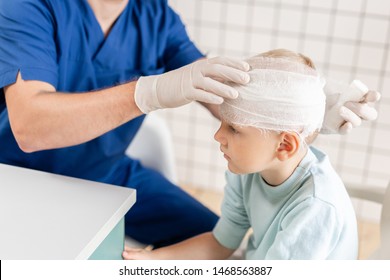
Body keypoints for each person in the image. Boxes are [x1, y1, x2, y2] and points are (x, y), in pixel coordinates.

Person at [0, 1, 379, 248]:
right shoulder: (28, 8)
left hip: (107, 172)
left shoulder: (156, 18)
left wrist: (303, 111)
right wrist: (146, 93)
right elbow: (31, 127)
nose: (221, 137)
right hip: (19, 177)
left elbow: (222, 90)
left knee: (212, 242)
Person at [122, 49, 359, 260]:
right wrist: (154, 260)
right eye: (223, 122)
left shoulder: (315, 209)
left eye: (233, 128)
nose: (218, 136)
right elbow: (220, 243)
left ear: (285, 145)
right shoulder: (247, 172)